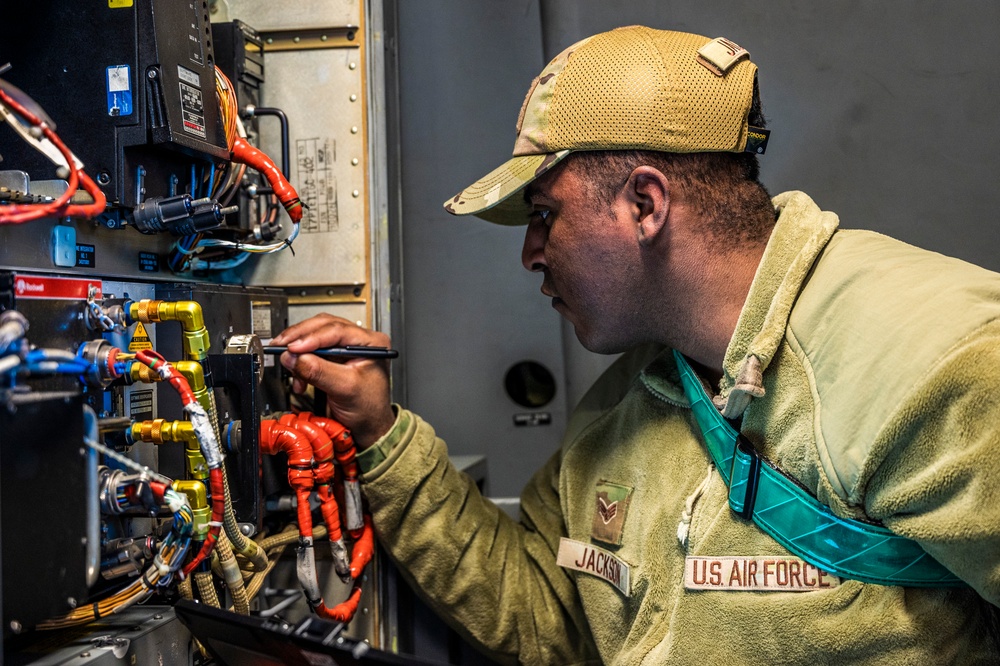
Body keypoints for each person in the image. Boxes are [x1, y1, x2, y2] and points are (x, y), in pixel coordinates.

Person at [271, 25, 1000, 665]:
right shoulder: (627, 404)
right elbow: (551, 619)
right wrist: (383, 435)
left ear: (644, 205)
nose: (529, 252)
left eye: (544, 214)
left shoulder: (939, 360)